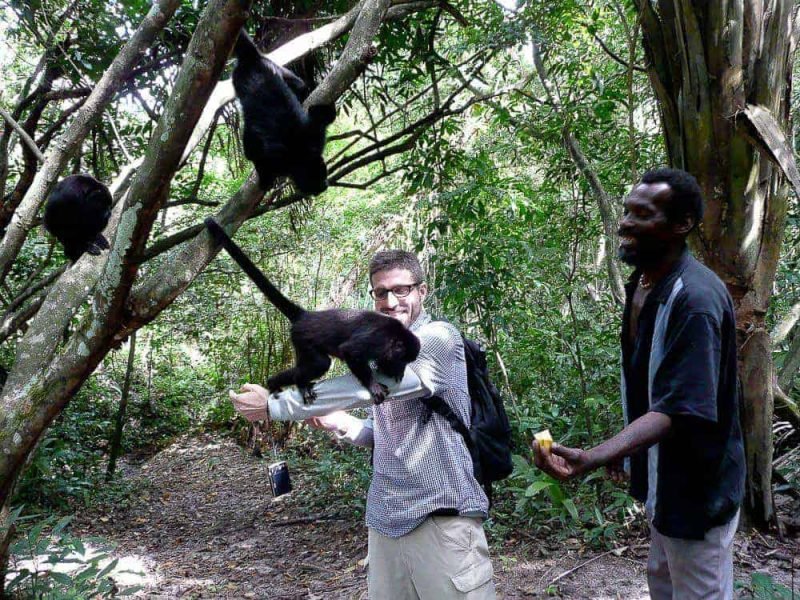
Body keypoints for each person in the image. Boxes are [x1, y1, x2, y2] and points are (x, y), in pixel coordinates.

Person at [230, 250, 495, 599]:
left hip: (442, 521)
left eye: (401, 290)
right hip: (386, 521)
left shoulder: (438, 339)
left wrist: (275, 404)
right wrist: (342, 424)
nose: (391, 301)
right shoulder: (377, 343)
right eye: (381, 292)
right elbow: (378, 432)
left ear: (422, 291)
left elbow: (376, 387)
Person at [533, 168, 745, 600]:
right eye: (627, 211)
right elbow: (649, 379)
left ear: (682, 224)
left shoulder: (695, 300)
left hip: (696, 490)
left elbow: (678, 407)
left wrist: (596, 455)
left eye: (642, 214)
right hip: (662, 484)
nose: (625, 223)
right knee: (663, 584)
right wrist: (628, 452)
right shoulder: (645, 282)